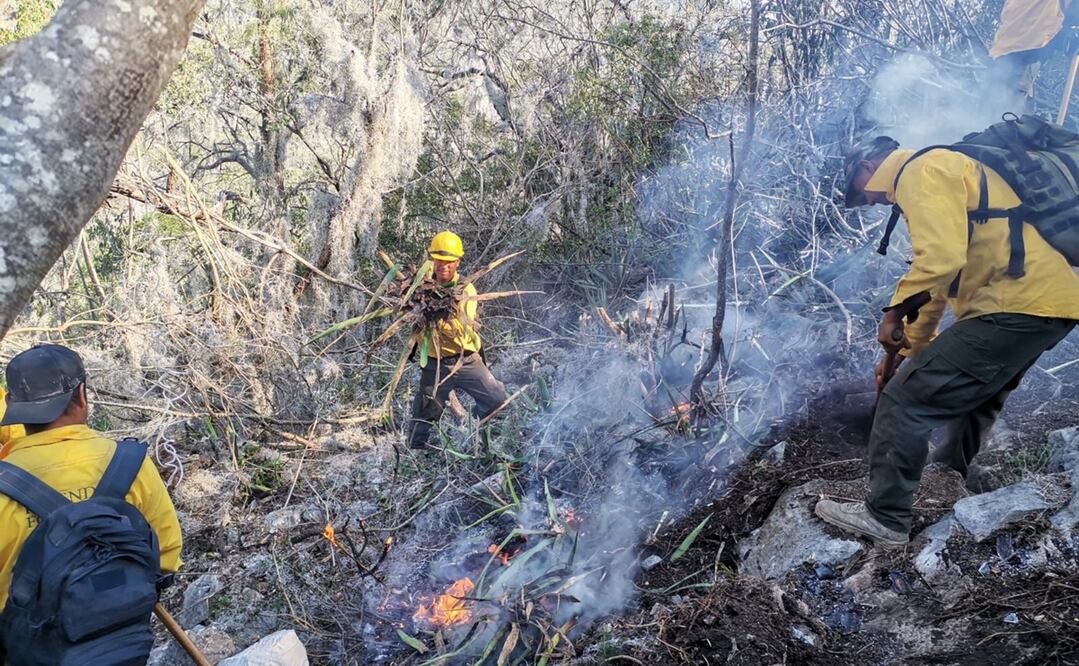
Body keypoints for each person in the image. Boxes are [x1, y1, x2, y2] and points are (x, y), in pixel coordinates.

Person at [815, 137, 1079, 547]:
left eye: (859, 193)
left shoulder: (921, 171)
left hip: (1014, 306)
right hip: (1048, 305)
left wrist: (892, 313)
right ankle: (947, 478)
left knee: (903, 402)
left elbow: (940, 260)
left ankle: (885, 518)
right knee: (977, 394)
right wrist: (905, 352)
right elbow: (937, 289)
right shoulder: (938, 170)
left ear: (867, 166)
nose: (866, 202)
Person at [0, 344, 183, 611]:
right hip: (121, 637)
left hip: (23, 647)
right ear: (82, 395)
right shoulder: (132, 464)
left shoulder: (4, 486)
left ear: (11, 406)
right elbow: (167, 558)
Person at [407, 231, 508, 450]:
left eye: (449, 261)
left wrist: (436, 318)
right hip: (435, 362)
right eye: (439, 260)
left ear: (458, 262)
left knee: (496, 398)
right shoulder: (420, 287)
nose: (443, 265)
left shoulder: (466, 289)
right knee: (426, 411)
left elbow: (463, 329)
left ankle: (469, 425)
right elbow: (407, 313)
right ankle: (416, 452)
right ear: (432, 259)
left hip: (466, 360)